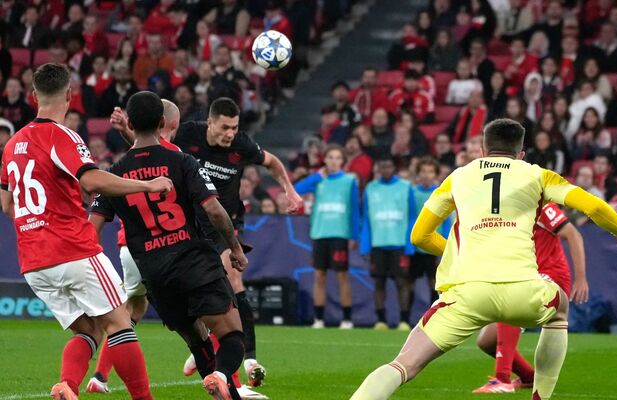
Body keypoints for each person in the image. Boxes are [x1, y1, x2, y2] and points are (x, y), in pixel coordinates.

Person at [349, 119, 617, 400]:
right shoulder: (537, 175)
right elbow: (593, 207)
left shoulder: (458, 177)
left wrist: (459, 251)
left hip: (466, 294)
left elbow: (419, 236)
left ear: (483, 152)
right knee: (560, 309)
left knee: (403, 365)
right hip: (524, 291)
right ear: (521, 154)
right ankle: (541, 396)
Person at [0, 63, 170, 400]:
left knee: (90, 330)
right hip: (72, 249)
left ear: (34, 96)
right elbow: (91, 179)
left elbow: (7, 203)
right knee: (120, 322)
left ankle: (67, 386)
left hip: (34, 262)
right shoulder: (61, 135)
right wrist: (147, 184)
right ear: (69, 95)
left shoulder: (12, 144)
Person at [110, 97, 303, 389]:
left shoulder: (242, 145)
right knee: (210, 301)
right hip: (195, 224)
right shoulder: (188, 136)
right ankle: (226, 367)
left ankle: (247, 360)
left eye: (235, 128)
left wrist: (290, 192)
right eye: (225, 127)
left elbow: (272, 162)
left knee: (233, 282)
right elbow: (154, 152)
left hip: (223, 223)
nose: (230, 134)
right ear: (209, 122)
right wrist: (129, 134)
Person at [89, 91, 247, 399]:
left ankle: (222, 388)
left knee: (196, 340)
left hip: (157, 274)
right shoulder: (181, 160)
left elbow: (91, 229)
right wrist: (236, 248)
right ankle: (221, 374)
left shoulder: (114, 175)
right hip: (195, 263)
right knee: (233, 338)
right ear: (163, 122)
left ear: (130, 124)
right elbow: (215, 210)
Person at [86, 99, 186, 394]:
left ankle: (99, 376)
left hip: (126, 247)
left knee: (131, 310)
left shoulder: (123, 164)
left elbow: (143, 152)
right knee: (205, 303)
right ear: (169, 125)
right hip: (161, 246)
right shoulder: (176, 157)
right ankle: (225, 376)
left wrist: (125, 131)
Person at [473, 202, 587, 394]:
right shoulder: (503, 213)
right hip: (529, 276)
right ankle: (528, 377)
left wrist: (581, 278)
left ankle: (502, 379)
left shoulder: (542, 206)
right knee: (486, 341)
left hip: (553, 277)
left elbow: (573, 235)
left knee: (512, 303)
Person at [294, 145, 360, 329]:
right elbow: (296, 189)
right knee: (319, 276)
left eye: (337, 157)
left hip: (340, 233)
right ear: (325, 160)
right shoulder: (318, 180)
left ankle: (347, 319)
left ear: (342, 161)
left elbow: (354, 208)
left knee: (342, 276)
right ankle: (318, 319)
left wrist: (354, 235)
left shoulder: (349, 180)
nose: (333, 161)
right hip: (320, 233)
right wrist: (317, 176)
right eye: (330, 157)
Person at [360, 157, 417, 330]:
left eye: (389, 166)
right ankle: (381, 320)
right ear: (378, 167)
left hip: (399, 243)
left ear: (394, 167)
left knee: (402, 282)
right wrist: (365, 245)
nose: (385, 169)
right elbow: (366, 218)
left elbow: (412, 217)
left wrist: (409, 244)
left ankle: (404, 321)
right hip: (378, 244)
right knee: (379, 283)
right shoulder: (371, 188)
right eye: (382, 165)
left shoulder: (406, 187)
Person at [408, 157, 451, 307]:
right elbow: (409, 218)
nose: (427, 175)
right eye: (423, 171)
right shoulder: (411, 192)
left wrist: (445, 246)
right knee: (409, 281)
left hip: (434, 245)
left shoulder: (441, 193)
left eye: (430, 171)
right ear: (418, 174)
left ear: (436, 174)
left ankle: (435, 315)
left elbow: (447, 222)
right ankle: (405, 318)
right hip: (415, 247)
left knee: (435, 282)